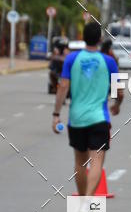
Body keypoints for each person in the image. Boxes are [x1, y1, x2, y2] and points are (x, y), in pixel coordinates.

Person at [53, 20, 123, 197]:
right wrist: (117, 104)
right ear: (99, 39)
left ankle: (83, 198)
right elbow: (119, 91)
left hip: (76, 119)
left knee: (79, 162)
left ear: (83, 38)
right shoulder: (109, 61)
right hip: (99, 118)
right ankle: (89, 198)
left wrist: (56, 114)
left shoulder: (71, 59)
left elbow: (63, 87)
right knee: (97, 161)